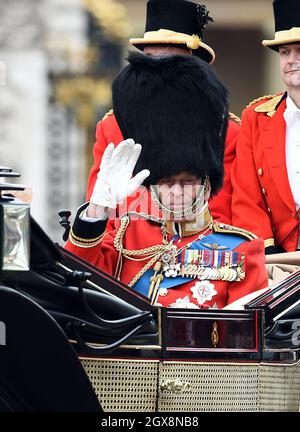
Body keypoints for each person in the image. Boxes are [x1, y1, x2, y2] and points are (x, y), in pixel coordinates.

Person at [65, 53, 267, 309]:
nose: (177, 192)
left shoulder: (241, 249)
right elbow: (78, 278)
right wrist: (97, 209)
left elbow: (245, 336)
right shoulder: (126, 236)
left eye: (187, 182)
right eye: (168, 182)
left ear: (206, 186)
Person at [86, 0, 240, 225]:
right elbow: (102, 220)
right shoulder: (111, 127)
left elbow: (223, 219)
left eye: (167, 64)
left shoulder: (228, 132)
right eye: (149, 62)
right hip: (127, 255)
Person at [231, 0, 300, 253]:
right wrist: (268, 255)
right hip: (277, 258)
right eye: (285, 52)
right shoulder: (256, 117)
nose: (292, 60)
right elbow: (246, 197)